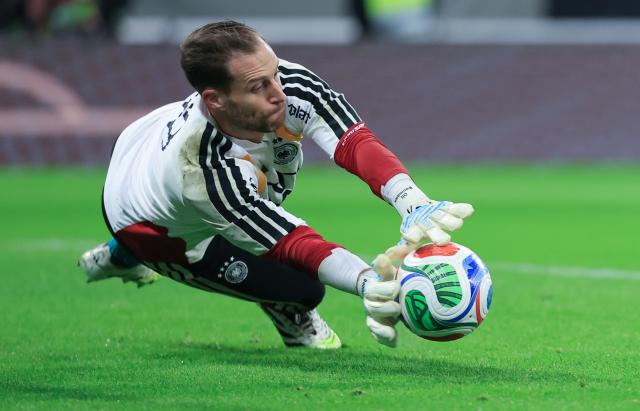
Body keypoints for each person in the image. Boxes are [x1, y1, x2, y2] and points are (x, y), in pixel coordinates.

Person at [78, 20, 473, 349]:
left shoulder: (287, 82)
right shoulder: (200, 170)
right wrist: (367, 282)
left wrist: (411, 200)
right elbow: (288, 241)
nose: (279, 94)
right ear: (214, 100)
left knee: (268, 187)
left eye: (273, 74)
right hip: (146, 224)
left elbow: (353, 141)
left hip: (148, 150)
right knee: (303, 287)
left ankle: (120, 255)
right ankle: (129, 253)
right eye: (257, 87)